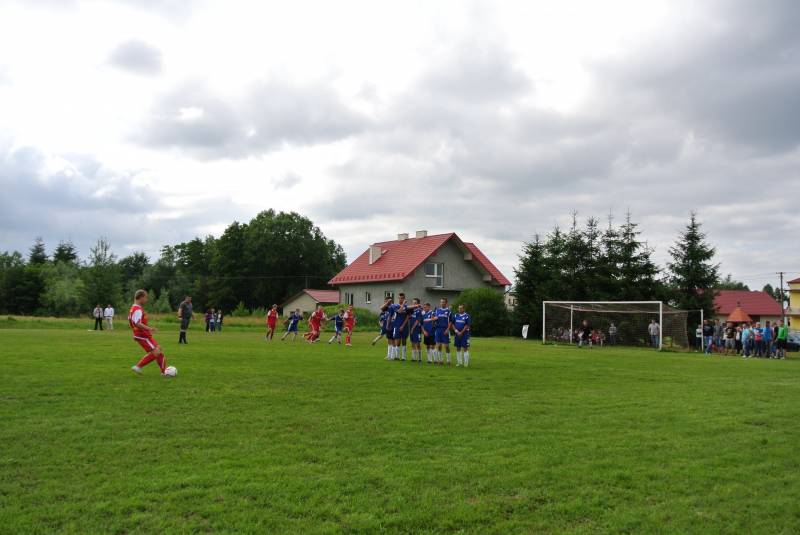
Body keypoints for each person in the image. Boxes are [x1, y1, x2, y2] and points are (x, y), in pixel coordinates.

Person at [129, 290, 169, 376]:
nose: (146, 300)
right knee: (156, 352)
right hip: (143, 335)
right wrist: (150, 329)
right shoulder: (137, 309)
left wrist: (135, 332)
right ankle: (138, 366)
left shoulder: (133, 308)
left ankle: (164, 372)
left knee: (158, 350)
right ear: (141, 297)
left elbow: (132, 322)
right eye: (146, 297)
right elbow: (137, 323)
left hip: (143, 335)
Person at [382, 293, 418, 362]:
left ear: (404, 298)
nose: (401, 299)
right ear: (398, 298)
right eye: (400, 298)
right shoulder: (395, 306)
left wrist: (403, 325)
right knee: (397, 341)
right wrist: (387, 325)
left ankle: (404, 357)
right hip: (396, 325)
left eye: (402, 298)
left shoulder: (407, 307)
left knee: (404, 341)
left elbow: (408, 317)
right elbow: (398, 312)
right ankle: (397, 356)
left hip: (405, 326)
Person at [434, 298, 453, 365]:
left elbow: (451, 321)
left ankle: (448, 360)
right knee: (439, 345)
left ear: (446, 303)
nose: (442, 303)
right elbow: (435, 319)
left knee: (446, 346)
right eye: (441, 302)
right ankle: (441, 360)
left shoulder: (449, 311)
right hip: (438, 329)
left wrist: (448, 329)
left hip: (445, 329)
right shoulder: (437, 310)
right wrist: (434, 320)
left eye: (443, 302)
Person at [408, 298, 424, 364]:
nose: (414, 304)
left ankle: (419, 359)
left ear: (418, 303)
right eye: (413, 302)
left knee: (418, 344)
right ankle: (413, 358)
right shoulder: (412, 310)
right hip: (411, 328)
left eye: (415, 303)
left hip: (417, 329)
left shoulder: (419, 311)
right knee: (412, 343)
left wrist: (412, 329)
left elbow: (417, 321)